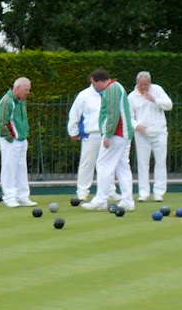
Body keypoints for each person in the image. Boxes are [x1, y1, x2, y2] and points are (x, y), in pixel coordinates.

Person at [82, 68, 135, 212]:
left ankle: (100, 200)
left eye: (94, 84)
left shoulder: (112, 89)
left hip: (116, 134)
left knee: (103, 164)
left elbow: (113, 113)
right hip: (123, 134)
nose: (94, 87)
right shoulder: (115, 88)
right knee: (122, 167)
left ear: (100, 81)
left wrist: (108, 134)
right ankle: (128, 201)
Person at [129, 71, 173, 203]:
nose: (144, 87)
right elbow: (129, 116)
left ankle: (159, 192)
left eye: (146, 84)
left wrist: (154, 99)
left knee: (160, 162)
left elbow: (169, 105)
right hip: (142, 135)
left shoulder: (157, 90)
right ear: (137, 83)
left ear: (150, 82)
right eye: (141, 84)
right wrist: (137, 126)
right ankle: (144, 193)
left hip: (159, 132)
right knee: (143, 164)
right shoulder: (131, 97)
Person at [0, 77, 36, 207]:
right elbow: (1, 123)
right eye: (26, 90)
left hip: (22, 139)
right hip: (10, 141)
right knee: (9, 168)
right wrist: (10, 138)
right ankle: (9, 197)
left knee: (21, 168)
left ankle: (23, 196)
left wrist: (24, 135)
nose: (28, 92)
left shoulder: (21, 101)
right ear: (17, 87)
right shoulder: (7, 101)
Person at [66, 80, 103, 206]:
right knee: (87, 164)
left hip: (107, 134)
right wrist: (73, 131)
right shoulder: (84, 95)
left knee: (106, 164)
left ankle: (109, 190)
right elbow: (74, 113)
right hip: (90, 133)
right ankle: (82, 192)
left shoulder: (109, 93)